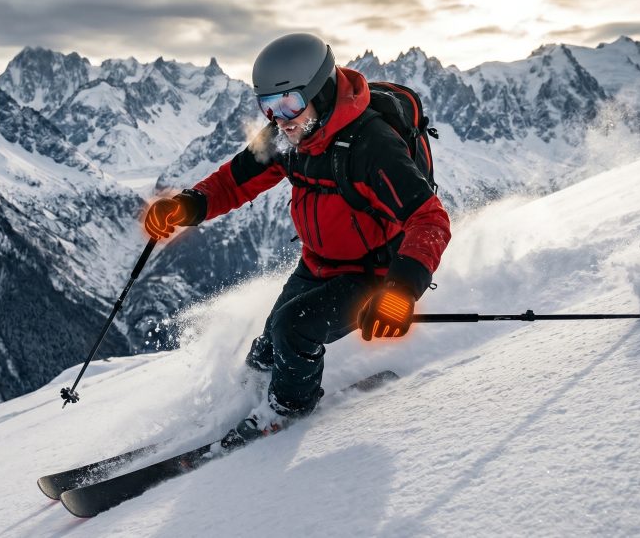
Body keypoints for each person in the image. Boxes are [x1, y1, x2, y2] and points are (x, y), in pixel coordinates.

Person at [143, 33, 451, 441]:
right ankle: (248, 404)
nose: (280, 117)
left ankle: (286, 412)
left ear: (321, 93)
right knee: (265, 352)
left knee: (293, 329)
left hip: (374, 271)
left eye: (289, 102)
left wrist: (400, 292)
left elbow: (429, 220)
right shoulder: (289, 136)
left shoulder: (371, 146)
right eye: (267, 106)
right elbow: (234, 182)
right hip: (318, 262)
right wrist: (187, 205)